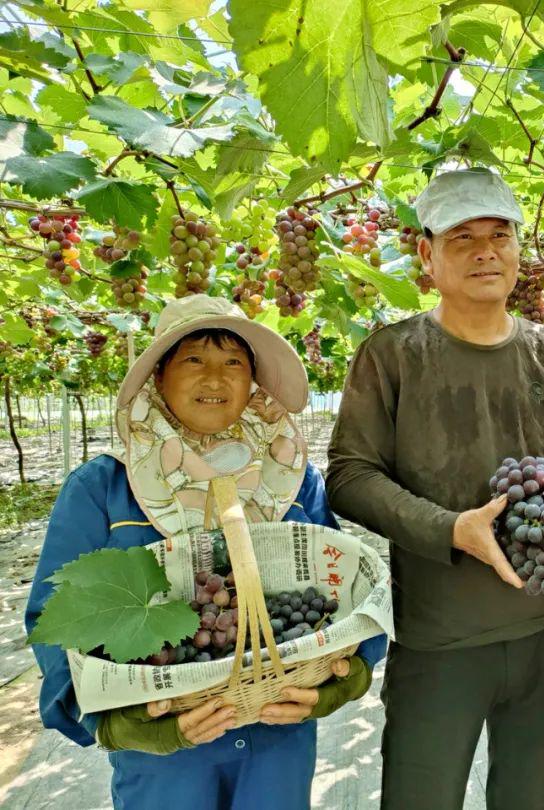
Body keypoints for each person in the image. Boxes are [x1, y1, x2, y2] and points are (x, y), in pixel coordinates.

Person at [25, 294, 386, 810]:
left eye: (233, 363)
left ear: (253, 381)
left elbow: (343, 592)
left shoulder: (292, 480)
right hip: (165, 752)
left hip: (277, 737)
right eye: (194, 359)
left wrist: (343, 683)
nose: (215, 379)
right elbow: (52, 618)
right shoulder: (103, 486)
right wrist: (120, 725)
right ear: (158, 378)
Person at [326, 168, 544, 810]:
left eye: (500, 235)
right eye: (463, 238)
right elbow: (349, 474)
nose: (486, 251)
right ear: (427, 254)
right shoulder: (391, 354)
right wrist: (452, 530)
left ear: (517, 248)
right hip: (438, 641)